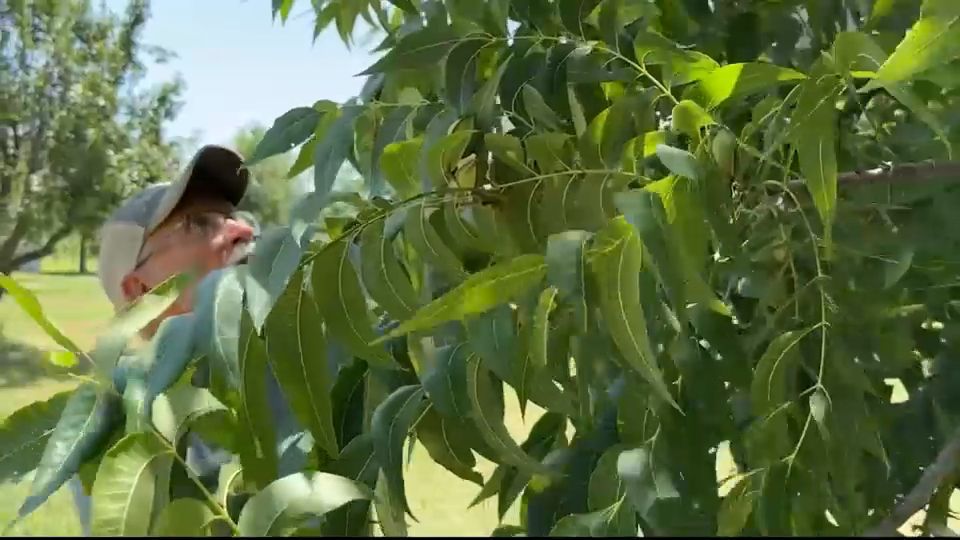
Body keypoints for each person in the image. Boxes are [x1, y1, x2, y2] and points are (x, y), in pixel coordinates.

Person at [68, 144, 301, 534]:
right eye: (197, 223)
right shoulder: (115, 431)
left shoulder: (297, 357)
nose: (244, 230)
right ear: (138, 288)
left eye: (233, 218)